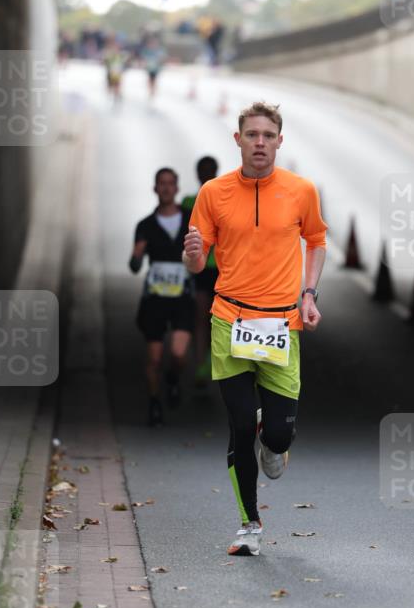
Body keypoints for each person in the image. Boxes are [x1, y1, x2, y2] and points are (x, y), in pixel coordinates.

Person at [183, 102, 327, 556]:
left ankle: (274, 438)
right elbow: (196, 261)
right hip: (230, 320)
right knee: (240, 425)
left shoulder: (301, 191)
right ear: (238, 139)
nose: (259, 142)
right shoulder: (214, 193)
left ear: (279, 141)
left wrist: (309, 295)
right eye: (252, 135)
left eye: (268, 135)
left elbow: (317, 241)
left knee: (278, 436)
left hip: (281, 323)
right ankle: (249, 523)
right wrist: (190, 253)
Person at [130, 168, 194, 426]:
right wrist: (137, 254)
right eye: (162, 184)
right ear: (155, 188)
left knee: (178, 354)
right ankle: (154, 402)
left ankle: (173, 377)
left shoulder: (192, 221)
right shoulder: (145, 226)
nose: (166, 188)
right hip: (155, 299)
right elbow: (134, 267)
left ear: (177, 188)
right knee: (154, 357)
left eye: (171, 184)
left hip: (182, 298)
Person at [181, 157, 219, 387]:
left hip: (224, 269)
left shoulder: (226, 201)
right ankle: (201, 365)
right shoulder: (188, 202)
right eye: (203, 171)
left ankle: (211, 358)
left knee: (220, 320)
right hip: (201, 269)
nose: (206, 175)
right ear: (198, 175)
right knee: (200, 317)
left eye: (209, 171)